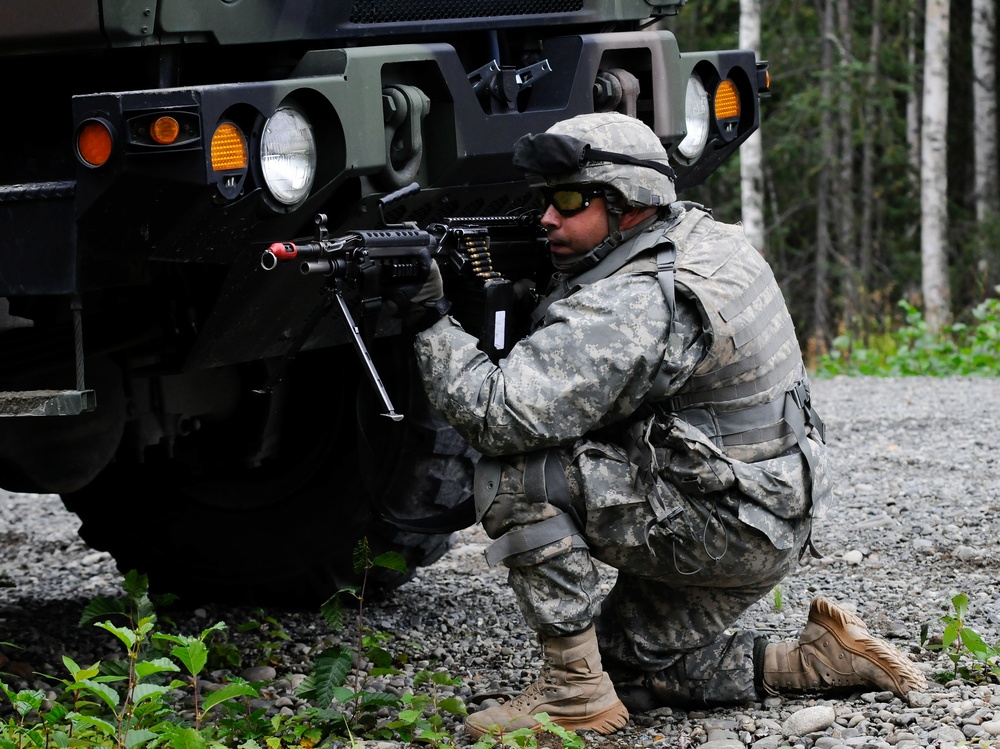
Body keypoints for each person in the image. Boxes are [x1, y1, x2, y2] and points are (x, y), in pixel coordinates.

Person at [388, 112, 927, 739]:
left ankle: (571, 698)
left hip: (723, 523)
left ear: (628, 202)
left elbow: (498, 412)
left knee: (518, 471)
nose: (546, 220)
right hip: (764, 509)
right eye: (544, 201)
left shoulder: (640, 298)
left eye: (568, 201)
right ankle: (814, 660)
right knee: (628, 670)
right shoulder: (704, 238)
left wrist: (428, 319)